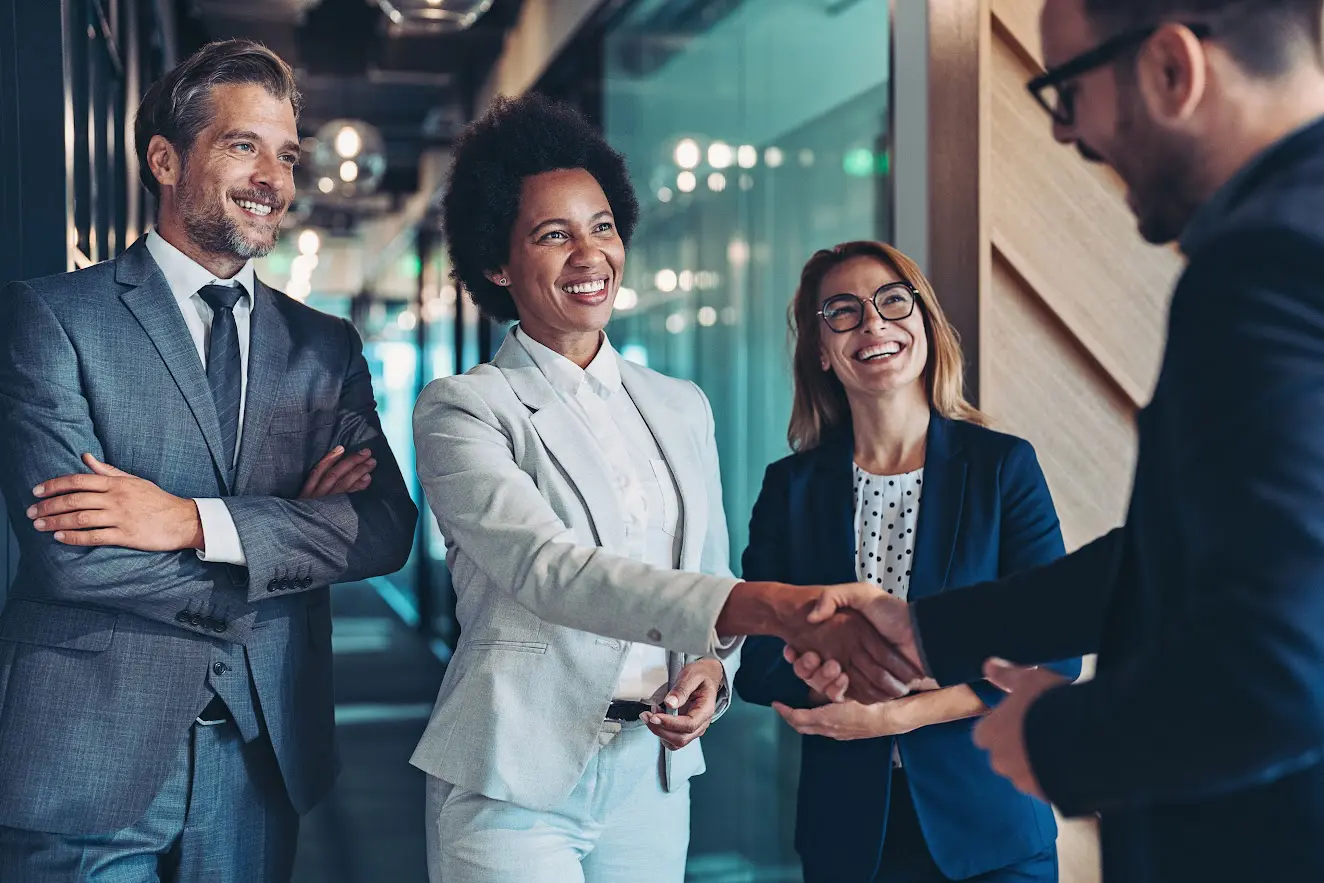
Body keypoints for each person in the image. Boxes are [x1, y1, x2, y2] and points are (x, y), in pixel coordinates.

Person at [791, 1, 1324, 880]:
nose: (1067, 132)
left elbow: (1283, 661)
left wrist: (1056, 738)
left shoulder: (1265, 269)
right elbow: (1180, 552)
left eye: (1064, 90)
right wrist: (927, 628)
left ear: (1169, 69)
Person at [408, 94, 924, 883]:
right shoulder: (466, 409)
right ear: (496, 262)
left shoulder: (680, 405)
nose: (590, 254)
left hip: (651, 775)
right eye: (554, 234)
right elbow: (551, 571)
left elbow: (706, 583)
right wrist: (774, 604)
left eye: (603, 225)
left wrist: (713, 674)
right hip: (516, 778)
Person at [0, 40, 418, 882]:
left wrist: (189, 522)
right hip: (88, 757)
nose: (275, 177)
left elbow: (382, 530)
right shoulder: (52, 318)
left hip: (261, 761)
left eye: (288, 154)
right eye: (243, 145)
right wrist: (285, 543)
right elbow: (71, 560)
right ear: (164, 158)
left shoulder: (324, 346)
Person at [734, 241, 1080, 883]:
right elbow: (755, 657)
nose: (873, 324)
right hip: (849, 836)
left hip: (993, 830)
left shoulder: (1002, 467)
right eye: (842, 311)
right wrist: (841, 684)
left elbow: (1055, 652)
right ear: (819, 349)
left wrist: (891, 712)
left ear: (924, 322)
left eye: (893, 302)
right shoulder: (791, 487)